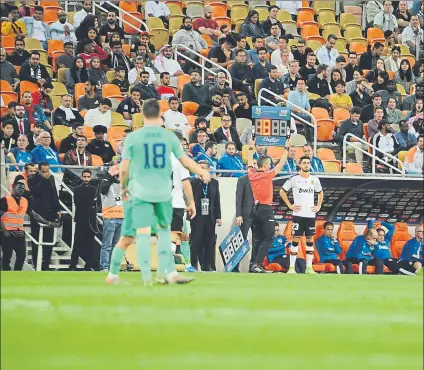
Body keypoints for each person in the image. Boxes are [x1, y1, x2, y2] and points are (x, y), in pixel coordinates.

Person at [105, 98, 211, 285]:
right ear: (160, 116)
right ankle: (168, 274)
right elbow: (186, 162)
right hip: (163, 192)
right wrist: (202, 171)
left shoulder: (133, 138)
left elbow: (124, 168)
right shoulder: (169, 137)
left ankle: (133, 276)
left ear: (143, 114)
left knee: (138, 234)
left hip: (141, 192)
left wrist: (123, 189)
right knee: (164, 233)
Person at [247, 143, 288, 273]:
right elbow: (281, 163)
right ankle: (257, 264)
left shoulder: (251, 174)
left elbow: (248, 163)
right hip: (265, 209)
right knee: (269, 237)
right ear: (265, 166)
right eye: (269, 165)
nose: (270, 166)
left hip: (256, 210)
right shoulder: (267, 174)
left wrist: (250, 148)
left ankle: (253, 264)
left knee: (258, 238)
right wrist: (286, 149)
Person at [280, 155, 323, 274]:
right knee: (296, 239)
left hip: (310, 215)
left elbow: (320, 192)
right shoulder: (294, 179)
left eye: (308, 163)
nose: (306, 165)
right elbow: (282, 191)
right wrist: (290, 205)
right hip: (298, 215)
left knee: (310, 240)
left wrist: (319, 206)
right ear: (299, 165)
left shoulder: (315, 179)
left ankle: (309, 267)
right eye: (304, 163)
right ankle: (292, 268)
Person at [28, 161, 61, 270]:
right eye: (43, 171)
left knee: (49, 240)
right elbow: (36, 192)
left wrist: (58, 208)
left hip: (50, 213)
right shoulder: (32, 179)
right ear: (38, 170)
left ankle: (46, 264)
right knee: (36, 240)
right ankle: (36, 263)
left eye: (47, 171)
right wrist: (43, 179)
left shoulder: (50, 178)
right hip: (37, 213)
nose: (46, 173)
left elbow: (54, 193)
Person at [189, 160, 221, 271]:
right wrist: (199, 180)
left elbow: (217, 201)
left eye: (204, 168)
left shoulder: (214, 183)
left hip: (209, 216)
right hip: (197, 216)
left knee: (209, 242)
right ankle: (193, 264)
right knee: (195, 241)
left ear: (208, 170)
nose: (202, 170)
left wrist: (218, 217)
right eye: (199, 167)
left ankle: (207, 265)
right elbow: (190, 197)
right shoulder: (193, 182)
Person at [70, 169, 97, 270]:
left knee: (90, 243)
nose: (86, 179)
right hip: (81, 218)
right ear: (81, 177)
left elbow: (95, 204)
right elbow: (78, 203)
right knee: (77, 241)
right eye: (84, 177)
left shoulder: (94, 189)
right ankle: (73, 264)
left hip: (90, 219)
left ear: (91, 177)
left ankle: (89, 265)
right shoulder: (77, 189)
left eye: (88, 177)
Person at [0, 177, 28, 271]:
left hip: (20, 233)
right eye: (19, 187)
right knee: (7, 255)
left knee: (22, 256)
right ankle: (6, 273)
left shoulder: (25, 201)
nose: (21, 190)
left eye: (23, 188)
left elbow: (33, 214)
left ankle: (17, 274)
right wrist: (5, 231)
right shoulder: (4, 200)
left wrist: (49, 222)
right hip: (7, 233)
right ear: (13, 188)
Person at [235, 161, 258, 270]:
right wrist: (239, 215)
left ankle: (253, 266)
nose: (253, 166)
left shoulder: (261, 179)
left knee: (257, 241)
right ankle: (235, 266)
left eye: (255, 163)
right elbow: (238, 199)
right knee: (241, 240)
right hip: (245, 215)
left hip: (258, 215)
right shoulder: (242, 180)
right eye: (251, 164)